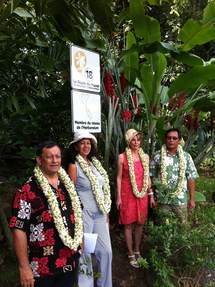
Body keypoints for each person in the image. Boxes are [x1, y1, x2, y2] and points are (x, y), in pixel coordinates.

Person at [9, 141, 83, 287]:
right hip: (41, 268)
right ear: (39, 160)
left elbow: (77, 214)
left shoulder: (67, 185)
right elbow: (18, 229)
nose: (55, 160)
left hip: (69, 262)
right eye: (50, 157)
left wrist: (80, 242)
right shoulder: (27, 191)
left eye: (58, 156)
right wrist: (24, 267)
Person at [66, 131, 112, 287]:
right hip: (83, 213)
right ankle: (85, 285)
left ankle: (105, 284)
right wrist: (75, 218)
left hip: (100, 214)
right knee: (85, 253)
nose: (86, 146)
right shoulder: (74, 166)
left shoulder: (95, 164)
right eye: (82, 143)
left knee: (106, 252)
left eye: (88, 143)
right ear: (76, 146)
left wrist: (106, 212)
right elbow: (70, 193)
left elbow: (102, 189)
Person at [116, 129, 155, 268]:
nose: (136, 142)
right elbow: (119, 177)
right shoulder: (122, 157)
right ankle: (130, 252)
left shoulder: (145, 157)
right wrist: (118, 197)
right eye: (133, 139)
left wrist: (151, 195)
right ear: (128, 141)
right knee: (128, 224)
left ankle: (137, 249)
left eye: (138, 139)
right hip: (127, 194)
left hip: (142, 194)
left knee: (140, 223)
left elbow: (147, 178)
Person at [149, 128, 199, 222]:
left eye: (174, 138)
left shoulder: (186, 157)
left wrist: (192, 199)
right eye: (169, 138)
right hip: (162, 199)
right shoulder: (157, 156)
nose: (171, 140)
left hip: (180, 199)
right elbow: (151, 177)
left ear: (179, 140)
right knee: (162, 228)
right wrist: (152, 196)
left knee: (182, 227)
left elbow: (191, 178)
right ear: (165, 139)